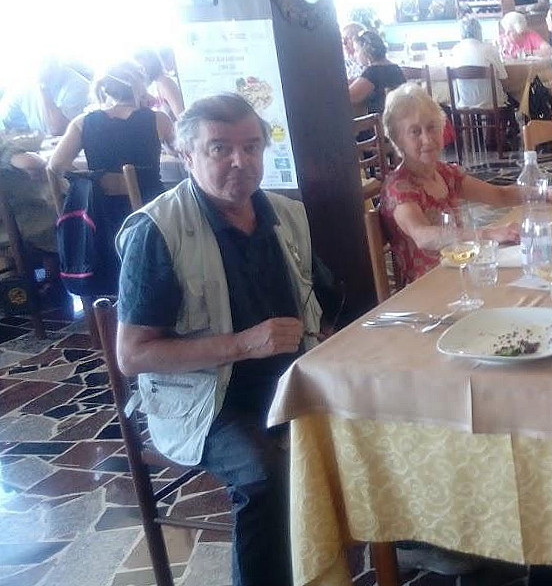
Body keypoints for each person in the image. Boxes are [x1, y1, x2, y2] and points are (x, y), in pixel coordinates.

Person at [115, 93, 337, 586]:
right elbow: (132, 355)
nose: (241, 161)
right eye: (220, 148)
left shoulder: (285, 214)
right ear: (186, 155)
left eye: (252, 146)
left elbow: (320, 301)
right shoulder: (158, 231)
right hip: (206, 401)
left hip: (288, 381)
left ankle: (367, 555)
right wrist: (242, 344)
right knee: (265, 474)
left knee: (376, 415)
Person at [379, 83, 526, 283]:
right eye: (415, 132)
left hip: (461, 274)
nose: (427, 139)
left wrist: (548, 192)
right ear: (398, 140)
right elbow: (422, 236)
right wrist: (489, 234)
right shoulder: (398, 187)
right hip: (428, 289)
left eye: (431, 127)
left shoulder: (445, 173)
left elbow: (500, 195)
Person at [49, 61, 175, 204]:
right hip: (152, 207)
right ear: (140, 85)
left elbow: (56, 164)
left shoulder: (82, 122)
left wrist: (96, 179)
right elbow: (179, 150)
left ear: (106, 89)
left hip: (100, 210)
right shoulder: (158, 119)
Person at [1, 59, 91, 136]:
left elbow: (59, 130)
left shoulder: (79, 86)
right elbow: (6, 122)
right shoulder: (23, 84)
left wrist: (44, 87)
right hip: (38, 146)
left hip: (69, 145)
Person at [449, 16, 511, 109]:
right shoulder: (490, 49)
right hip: (493, 102)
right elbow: (503, 77)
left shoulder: (455, 50)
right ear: (479, 32)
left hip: (465, 103)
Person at [348, 30, 407, 116]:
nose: (355, 55)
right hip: (399, 118)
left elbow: (348, 98)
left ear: (365, 51)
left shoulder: (372, 72)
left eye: (357, 50)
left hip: (380, 122)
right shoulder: (395, 67)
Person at [134, 49, 185, 120]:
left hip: (170, 126)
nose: (141, 71)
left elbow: (181, 118)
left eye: (143, 67)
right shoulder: (150, 86)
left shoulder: (165, 83)